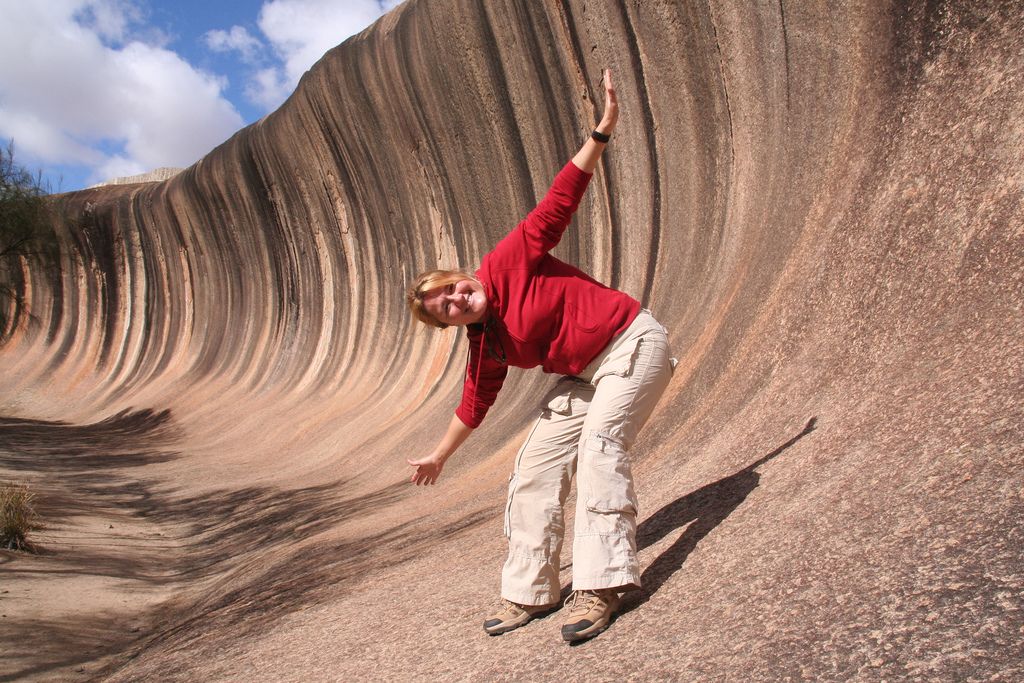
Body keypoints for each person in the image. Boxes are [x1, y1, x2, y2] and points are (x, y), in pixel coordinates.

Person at [405, 69, 674, 643]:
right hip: (584, 377)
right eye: (445, 309)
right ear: (448, 324)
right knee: (535, 469)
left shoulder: (506, 262)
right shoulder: (485, 343)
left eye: (451, 289)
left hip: (631, 342)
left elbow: (558, 202)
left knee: (600, 445)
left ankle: (604, 584)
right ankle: (531, 590)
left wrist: (601, 131)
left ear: (461, 276)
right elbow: (473, 403)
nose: (456, 300)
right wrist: (438, 456)